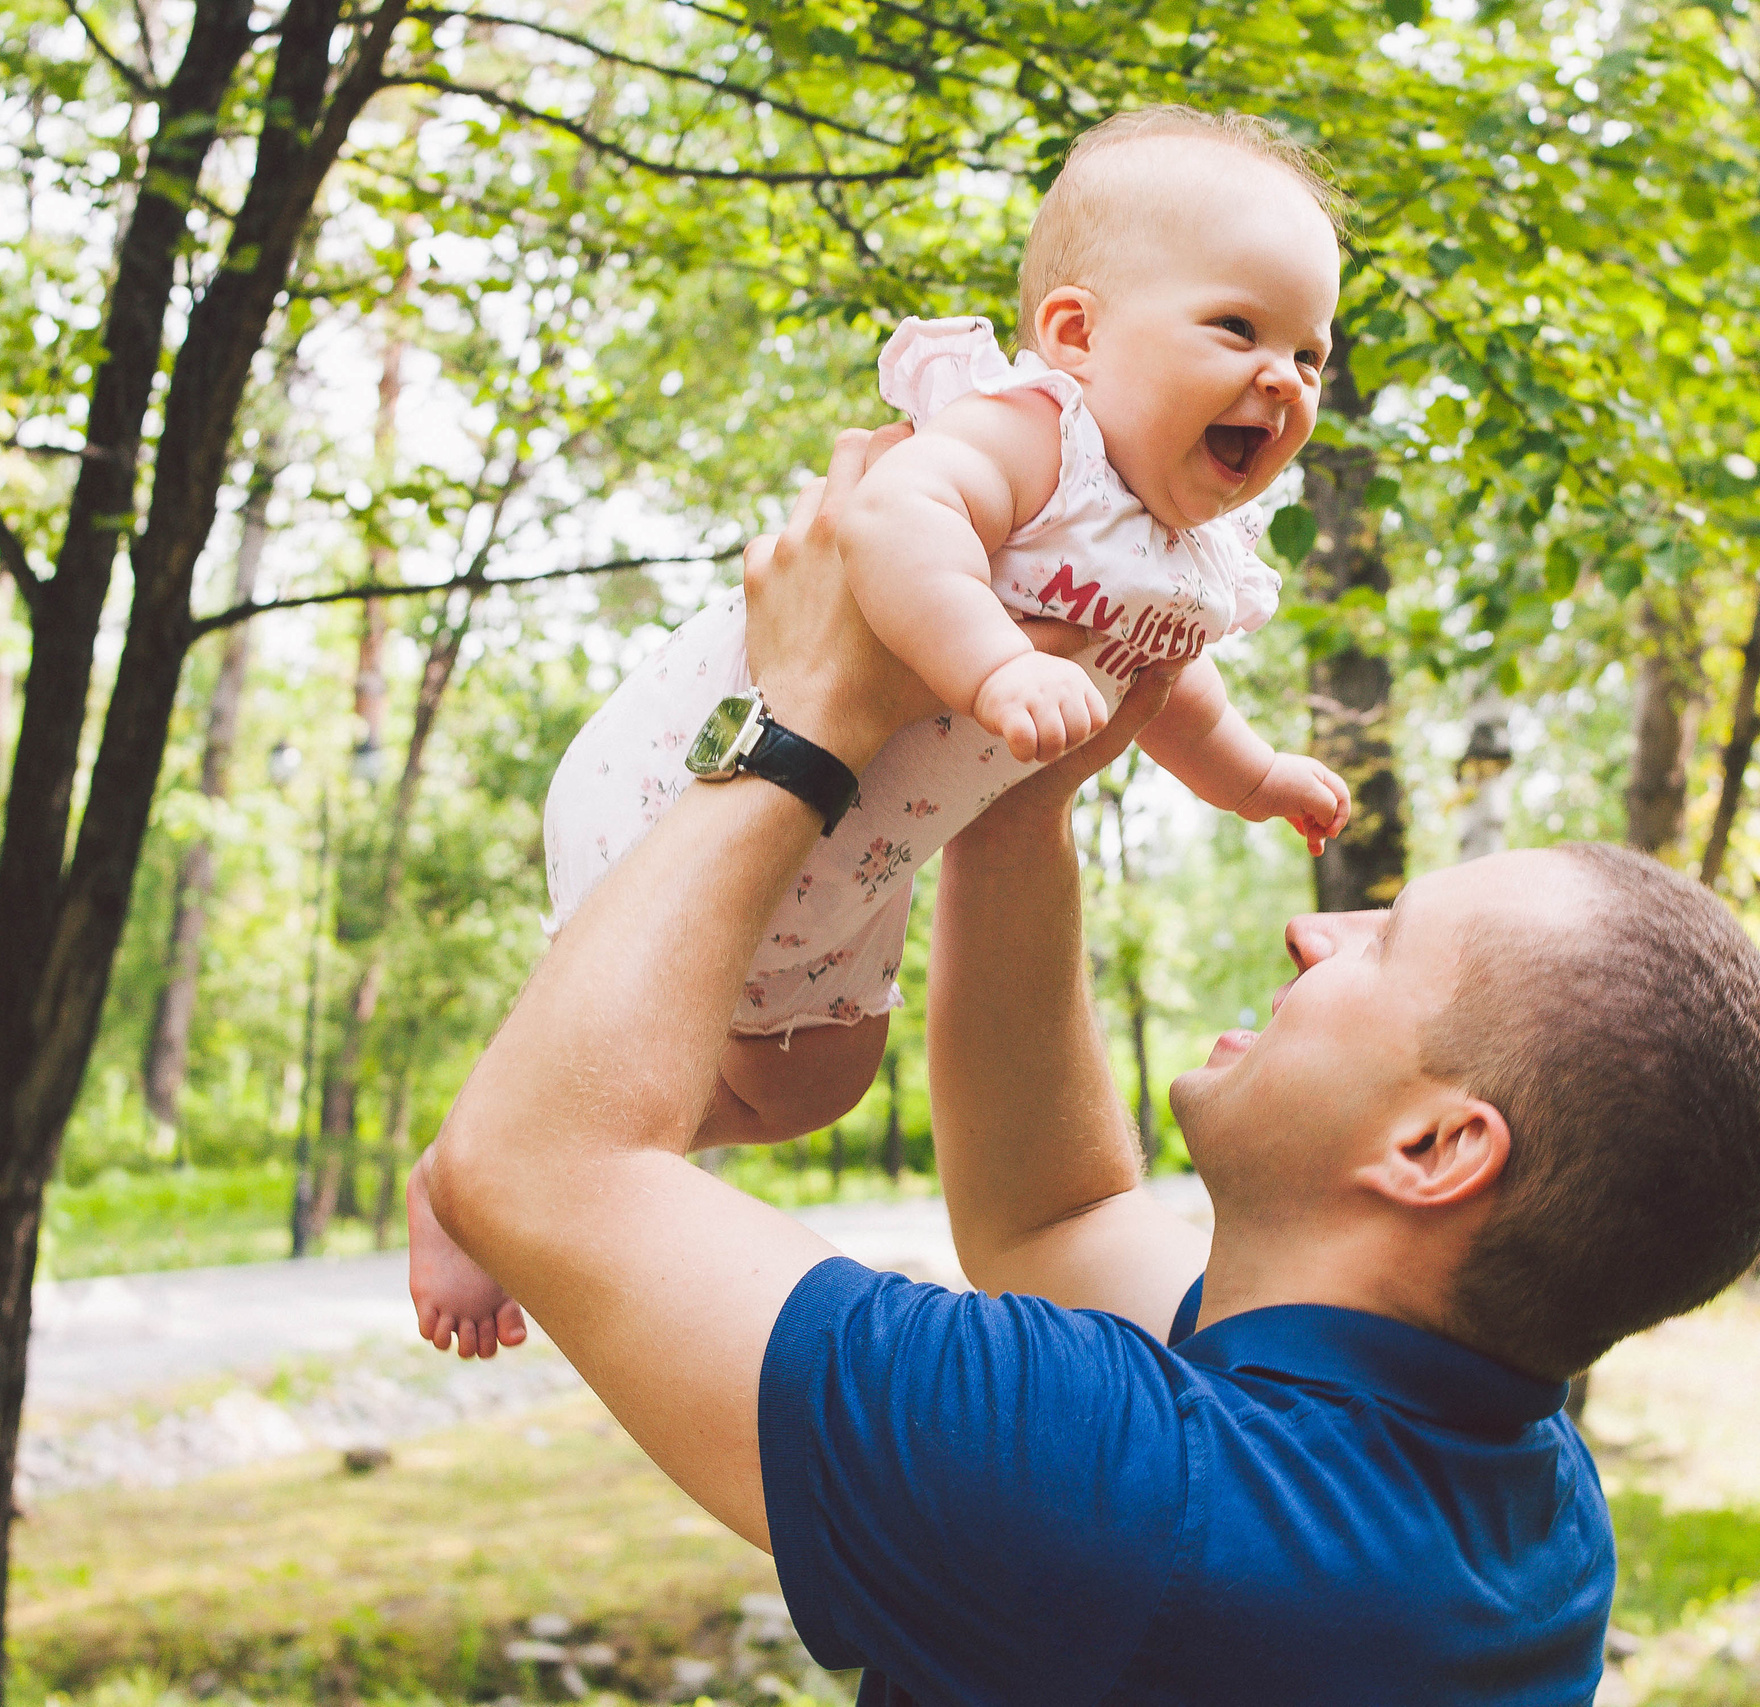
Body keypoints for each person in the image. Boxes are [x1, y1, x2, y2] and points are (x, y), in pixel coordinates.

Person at [421, 415, 1760, 1703]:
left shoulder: (1135, 1503)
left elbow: (535, 1167)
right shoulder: (1515, 1499)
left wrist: (810, 717)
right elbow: (1055, 1217)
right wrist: (1017, 813)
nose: (1310, 928)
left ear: (1436, 1148)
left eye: (1385, 944)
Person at [409, 106, 1354, 1355]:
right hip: (706, 772)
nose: (1282, 378)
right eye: (1237, 328)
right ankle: (472, 1172)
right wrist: (993, 662)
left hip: (850, 863)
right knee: (651, 1037)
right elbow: (897, 520)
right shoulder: (1038, 439)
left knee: (818, 1082)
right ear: (1075, 335)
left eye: (1312, 354)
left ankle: (542, 1147)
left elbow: (1167, 686)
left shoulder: (1189, 557)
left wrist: (1252, 775)